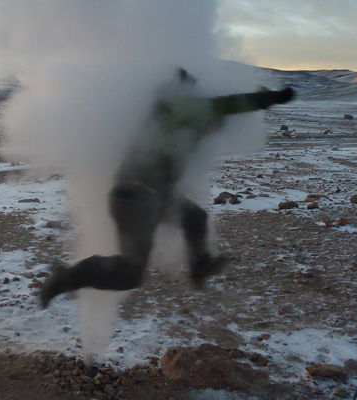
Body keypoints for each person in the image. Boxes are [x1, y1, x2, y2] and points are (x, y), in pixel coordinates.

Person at [40, 69, 294, 307]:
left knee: (194, 219)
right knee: (129, 273)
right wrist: (271, 97)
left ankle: (200, 267)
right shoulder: (175, 110)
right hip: (136, 198)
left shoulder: (172, 125)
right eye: (210, 125)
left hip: (151, 199)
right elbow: (225, 104)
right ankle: (65, 277)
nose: (208, 131)